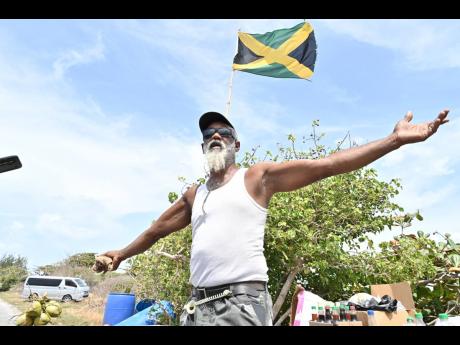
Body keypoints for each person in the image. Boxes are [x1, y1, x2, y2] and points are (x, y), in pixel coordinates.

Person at [101, 109, 449, 326]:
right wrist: (121, 254)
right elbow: (155, 231)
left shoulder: (257, 178)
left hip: (241, 303)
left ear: (237, 145)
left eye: (225, 134)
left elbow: (327, 165)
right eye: (209, 135)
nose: (216, 137)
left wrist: (393, 141)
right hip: (198, 307)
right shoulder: (196, 195)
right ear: (202, 147)